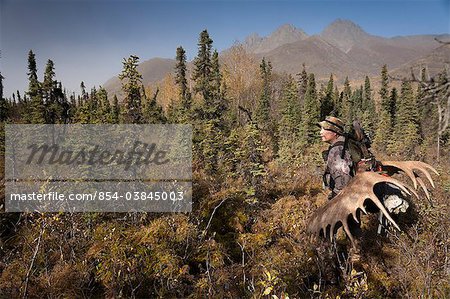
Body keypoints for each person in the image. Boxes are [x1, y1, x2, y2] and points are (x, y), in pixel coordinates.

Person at [318, 116, 353, 200]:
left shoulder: (336, 150)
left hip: (345, 199)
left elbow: (343, 183)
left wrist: (335, 198)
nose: (320, 132)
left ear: (335, 132)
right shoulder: (344, 143)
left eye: (324, 129)